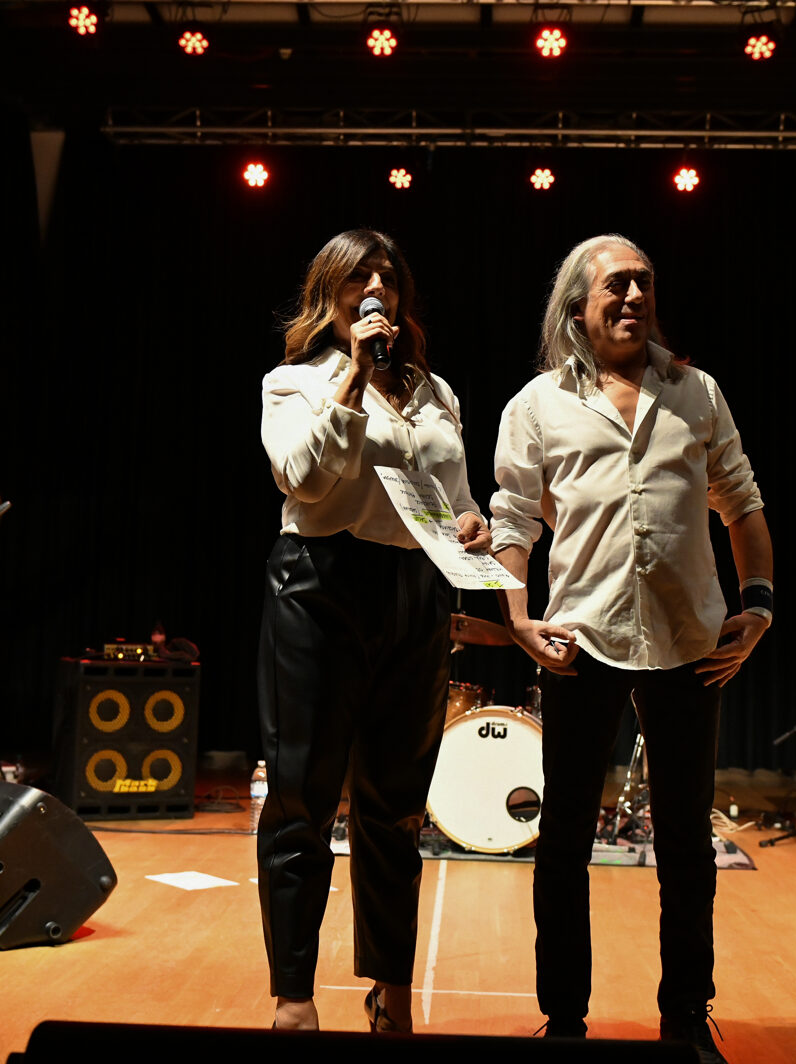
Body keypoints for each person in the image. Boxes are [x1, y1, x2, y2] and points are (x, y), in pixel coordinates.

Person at [489, 234, 773, 1063]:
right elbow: (512, 521)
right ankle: (565, 1021)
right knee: (564, 840)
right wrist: (517, 618)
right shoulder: (538, 405)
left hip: (690, 641)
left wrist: (759, 603)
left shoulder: (697, 392)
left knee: (685, 843)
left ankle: (685, 1016)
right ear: (577, 307)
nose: (635, 296)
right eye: (617, 284)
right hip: (581, 640)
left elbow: (741, 501)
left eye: (644, 282)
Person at [257, 228, 489, 1033]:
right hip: (319, 587)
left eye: (389, 277)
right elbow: (305, 480)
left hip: (415, 590)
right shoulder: (294, 383)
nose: (378, 288)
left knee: (395, 808)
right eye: (361, 277)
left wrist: (472, 525)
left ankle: (392, 994)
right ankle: (294, 998)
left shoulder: (435, 393)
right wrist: (355, 378)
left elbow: (457, 498)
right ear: (331, 294)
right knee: (302, 797)